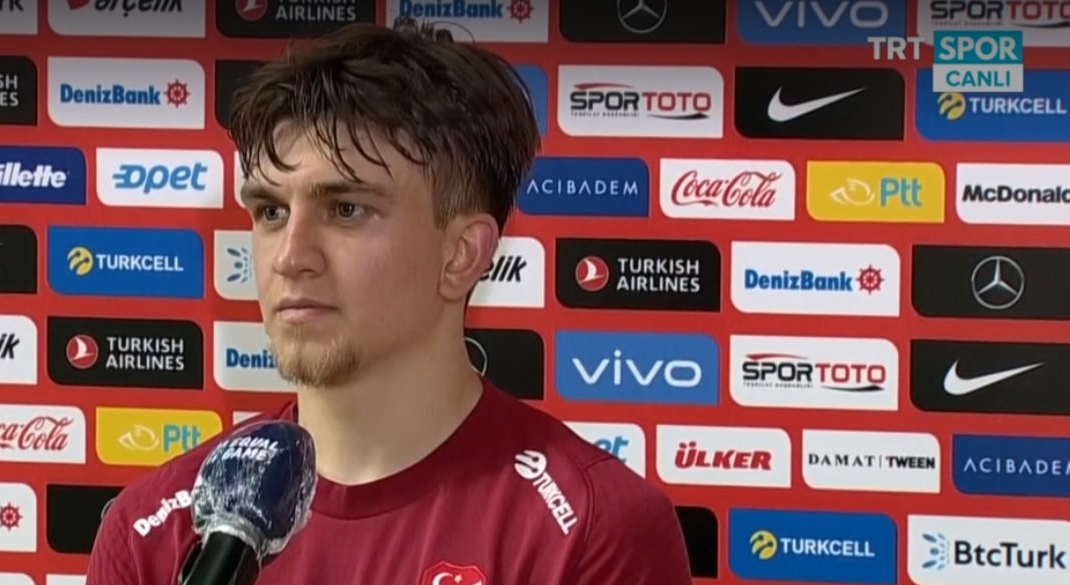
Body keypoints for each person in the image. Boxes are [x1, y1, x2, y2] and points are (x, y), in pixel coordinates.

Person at [86, 19, 694, 585]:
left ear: (461, 255)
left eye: (346, 209)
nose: (290, 256)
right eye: (271, 211)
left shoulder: (591, 532)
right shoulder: (154, 530)